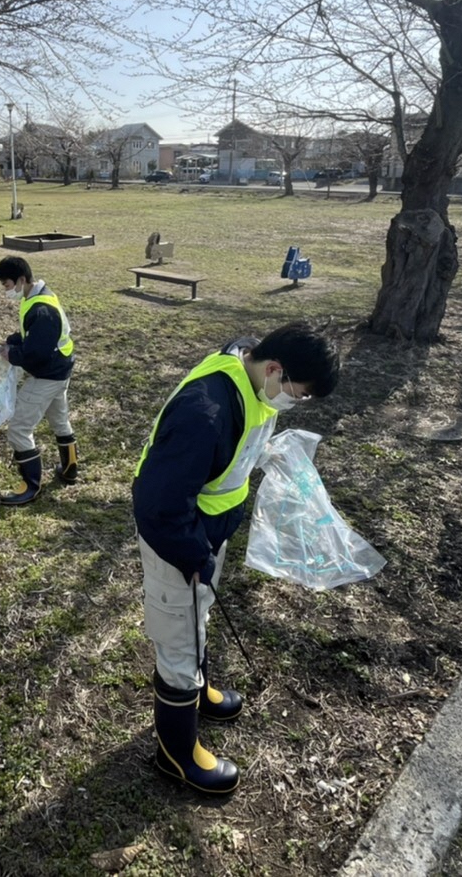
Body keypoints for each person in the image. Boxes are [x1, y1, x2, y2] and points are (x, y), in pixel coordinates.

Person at [132, 321, 341, 794]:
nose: (295, 403)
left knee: (198, 615)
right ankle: (177, 753)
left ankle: (198, 689)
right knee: (178, 640)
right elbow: (158, 505)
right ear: (274, 368)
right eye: (300, 395)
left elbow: (237, 448)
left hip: (208, 533)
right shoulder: (203, 412)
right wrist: (194, 556)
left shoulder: (253, 374)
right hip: (179, 545)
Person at [0, 257, 77, 505]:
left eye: (7, 285)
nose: (6, 290)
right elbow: (34, 337)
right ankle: (70, 469)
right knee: (60, 420)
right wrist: (14, 340)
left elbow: (37, 353)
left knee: (19, 428)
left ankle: (30, 486)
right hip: (60, 371)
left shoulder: (42, 310)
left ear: (21, 280)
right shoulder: (37, 297)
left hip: (48, 375)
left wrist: (12, 354)